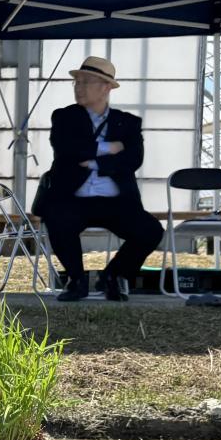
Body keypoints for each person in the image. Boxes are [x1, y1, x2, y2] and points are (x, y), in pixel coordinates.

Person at [39, 56, 163, 302]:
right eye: (76, 82)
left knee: (150, 230)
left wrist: (95, 160)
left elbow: (134, 158)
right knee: (57, 218)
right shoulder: (64, 117)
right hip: (73, 198)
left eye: (86, 82)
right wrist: (111, 147)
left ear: (106, 87)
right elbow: (67, 148)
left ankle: (113, 276)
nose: (79, 87)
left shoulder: (128, 122)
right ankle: (76, 279)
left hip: (116, 201)